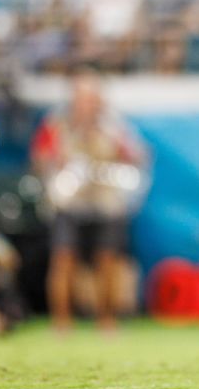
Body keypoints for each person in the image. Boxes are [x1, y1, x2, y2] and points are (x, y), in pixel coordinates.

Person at [32, 71, 148, 332]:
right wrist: (56, 162)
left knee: (108, 260)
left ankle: (106, 319)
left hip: (106, 201)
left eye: (93, 98)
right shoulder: (57, 125)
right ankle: (62, 321)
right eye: (83, 98)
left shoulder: (116, 128)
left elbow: (137, 158)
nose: (88, 104)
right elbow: (40, 157)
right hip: (70, 201)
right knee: (63, 258)